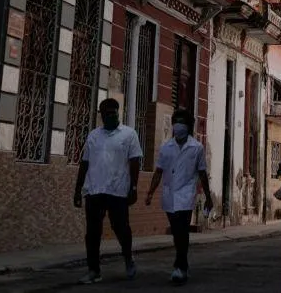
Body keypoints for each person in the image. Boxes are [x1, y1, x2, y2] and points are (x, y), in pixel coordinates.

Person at [74, 98, 142, 284]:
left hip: (118, 190)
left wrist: (134, 187)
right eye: (107, 113)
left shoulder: (129, 134)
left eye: (114, 112)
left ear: (118, 112)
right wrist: (78, 189)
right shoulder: (94, 136)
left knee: (121, 228)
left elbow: (135, 161)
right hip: (95, 189)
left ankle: (128, 258)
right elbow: (85, 163)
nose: (111, 116)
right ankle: (94, 270)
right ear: (101, 115)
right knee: (92, 233)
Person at [145, 108, 213, 285]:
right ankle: (183, 263)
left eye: (182, 122)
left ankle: (179, 267)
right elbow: (158, 171)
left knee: (182, 230)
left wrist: (208, 196)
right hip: (169, 194)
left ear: (189, 126)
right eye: (177, 121)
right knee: (177, 232)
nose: (179, 125)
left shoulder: (197, 148)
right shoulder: (166, 147)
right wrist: (150, 193)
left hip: (186, 193)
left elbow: (202, 173)